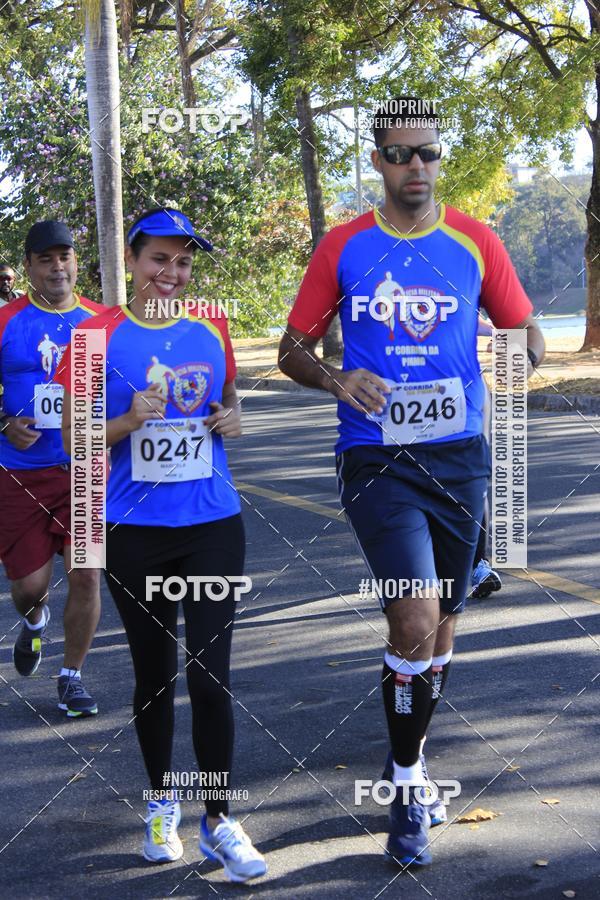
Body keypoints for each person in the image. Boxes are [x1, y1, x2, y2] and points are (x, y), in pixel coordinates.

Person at [278, 97, 544, 867]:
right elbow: (293, 348)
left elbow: (523, 325)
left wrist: (521, 357)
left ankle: (415, 755)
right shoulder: (344, 248)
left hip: (460, 458)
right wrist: (335, 377)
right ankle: (403, 784)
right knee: (416, 620)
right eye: (400, 154)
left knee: (443, 628)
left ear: (439, 158)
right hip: (377, 458)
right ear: (377, 163)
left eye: (427, 153)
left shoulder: (476, 241)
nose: (416, 168)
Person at [58, 207, 267, 880]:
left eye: (182, 263)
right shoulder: (93, 337)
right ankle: (160, 803)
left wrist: (234, 418)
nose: (171, 274)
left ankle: (219, 820)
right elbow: (73, 444)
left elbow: (227, 403)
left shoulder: (212, 327)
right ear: (132, 259)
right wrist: (125, 419)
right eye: (159, 260)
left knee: (211, 677)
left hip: (211, 524)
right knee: (155, 678)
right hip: (134, 532)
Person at [0, 221, 102, 716]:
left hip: (84, 468)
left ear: (76, 261)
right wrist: (3, 422)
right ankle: (35, 621)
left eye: (64, 256)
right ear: (30, 268)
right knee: (30, 588)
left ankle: (71, 677)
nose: (57, 267)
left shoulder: (105, 322)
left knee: (86, 575)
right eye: (46, 259)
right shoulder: (6, 321)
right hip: (19, 473)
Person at [471, 314, 502, 599]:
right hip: (401, 396)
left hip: (466, 395)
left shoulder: (459, 277)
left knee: (474, 479)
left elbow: (506, 323)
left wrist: (497, 334)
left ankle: (479, 565)